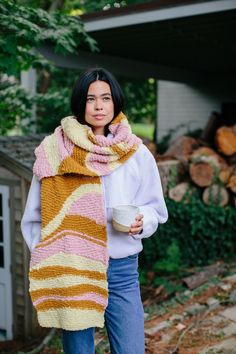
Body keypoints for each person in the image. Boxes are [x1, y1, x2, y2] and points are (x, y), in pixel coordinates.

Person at [21, 68, 168, 354]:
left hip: (122, 272)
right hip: (72, 268)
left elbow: (155, 208)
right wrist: (53, 255)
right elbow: (33, 217)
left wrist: (143, 221)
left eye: (106, 98)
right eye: (91, 99)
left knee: (131, 349)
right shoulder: (54, 151)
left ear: (116, 102)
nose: (99, 106)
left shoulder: (136, 152)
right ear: (80, 103)